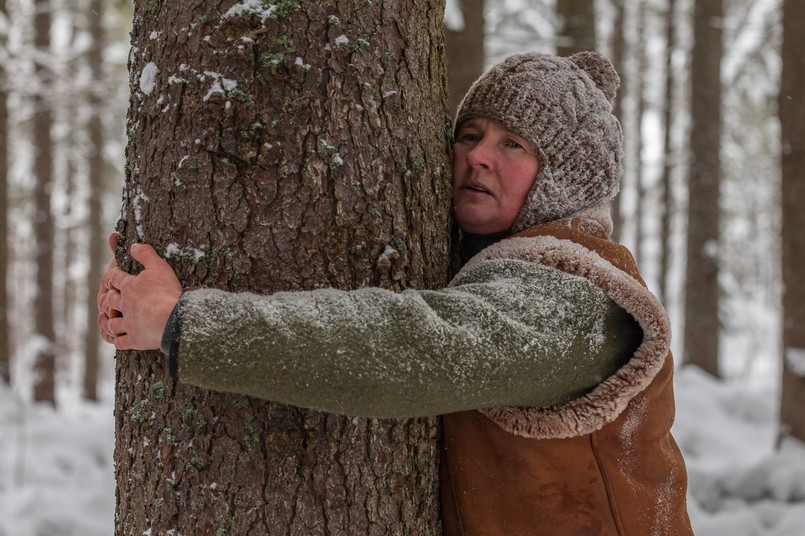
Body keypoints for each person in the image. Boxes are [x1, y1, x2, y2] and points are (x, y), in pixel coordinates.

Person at [98, 51, 693, 535]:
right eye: (470, 133)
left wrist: (186, 323)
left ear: (564, 177)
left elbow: (411, 346)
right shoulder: (484, 274)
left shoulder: (578, 296)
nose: (478, 157)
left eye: (514, 145)